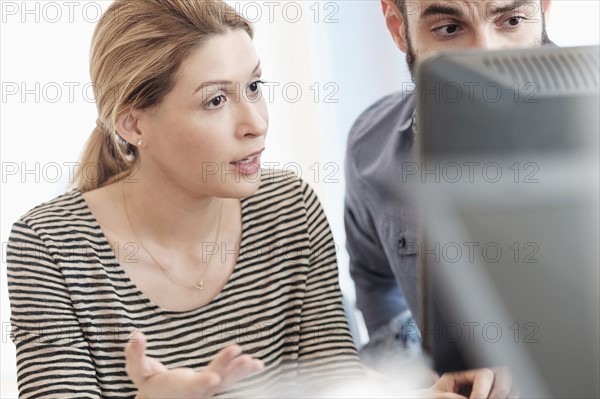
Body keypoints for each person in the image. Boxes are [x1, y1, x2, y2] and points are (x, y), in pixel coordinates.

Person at [6, 1, 362, 397]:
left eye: (254, 86)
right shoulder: (49, 245)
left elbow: (339, 385)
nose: (256, 124)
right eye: (215, 100)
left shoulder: (290, 208)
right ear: (133, 123)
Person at [345, 0, 553, 381]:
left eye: (512, 20)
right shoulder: (370, 149)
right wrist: (420, 383)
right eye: (449, 29)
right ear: (398, 28)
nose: (485, 57)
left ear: (545, 9)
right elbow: (376, 282)